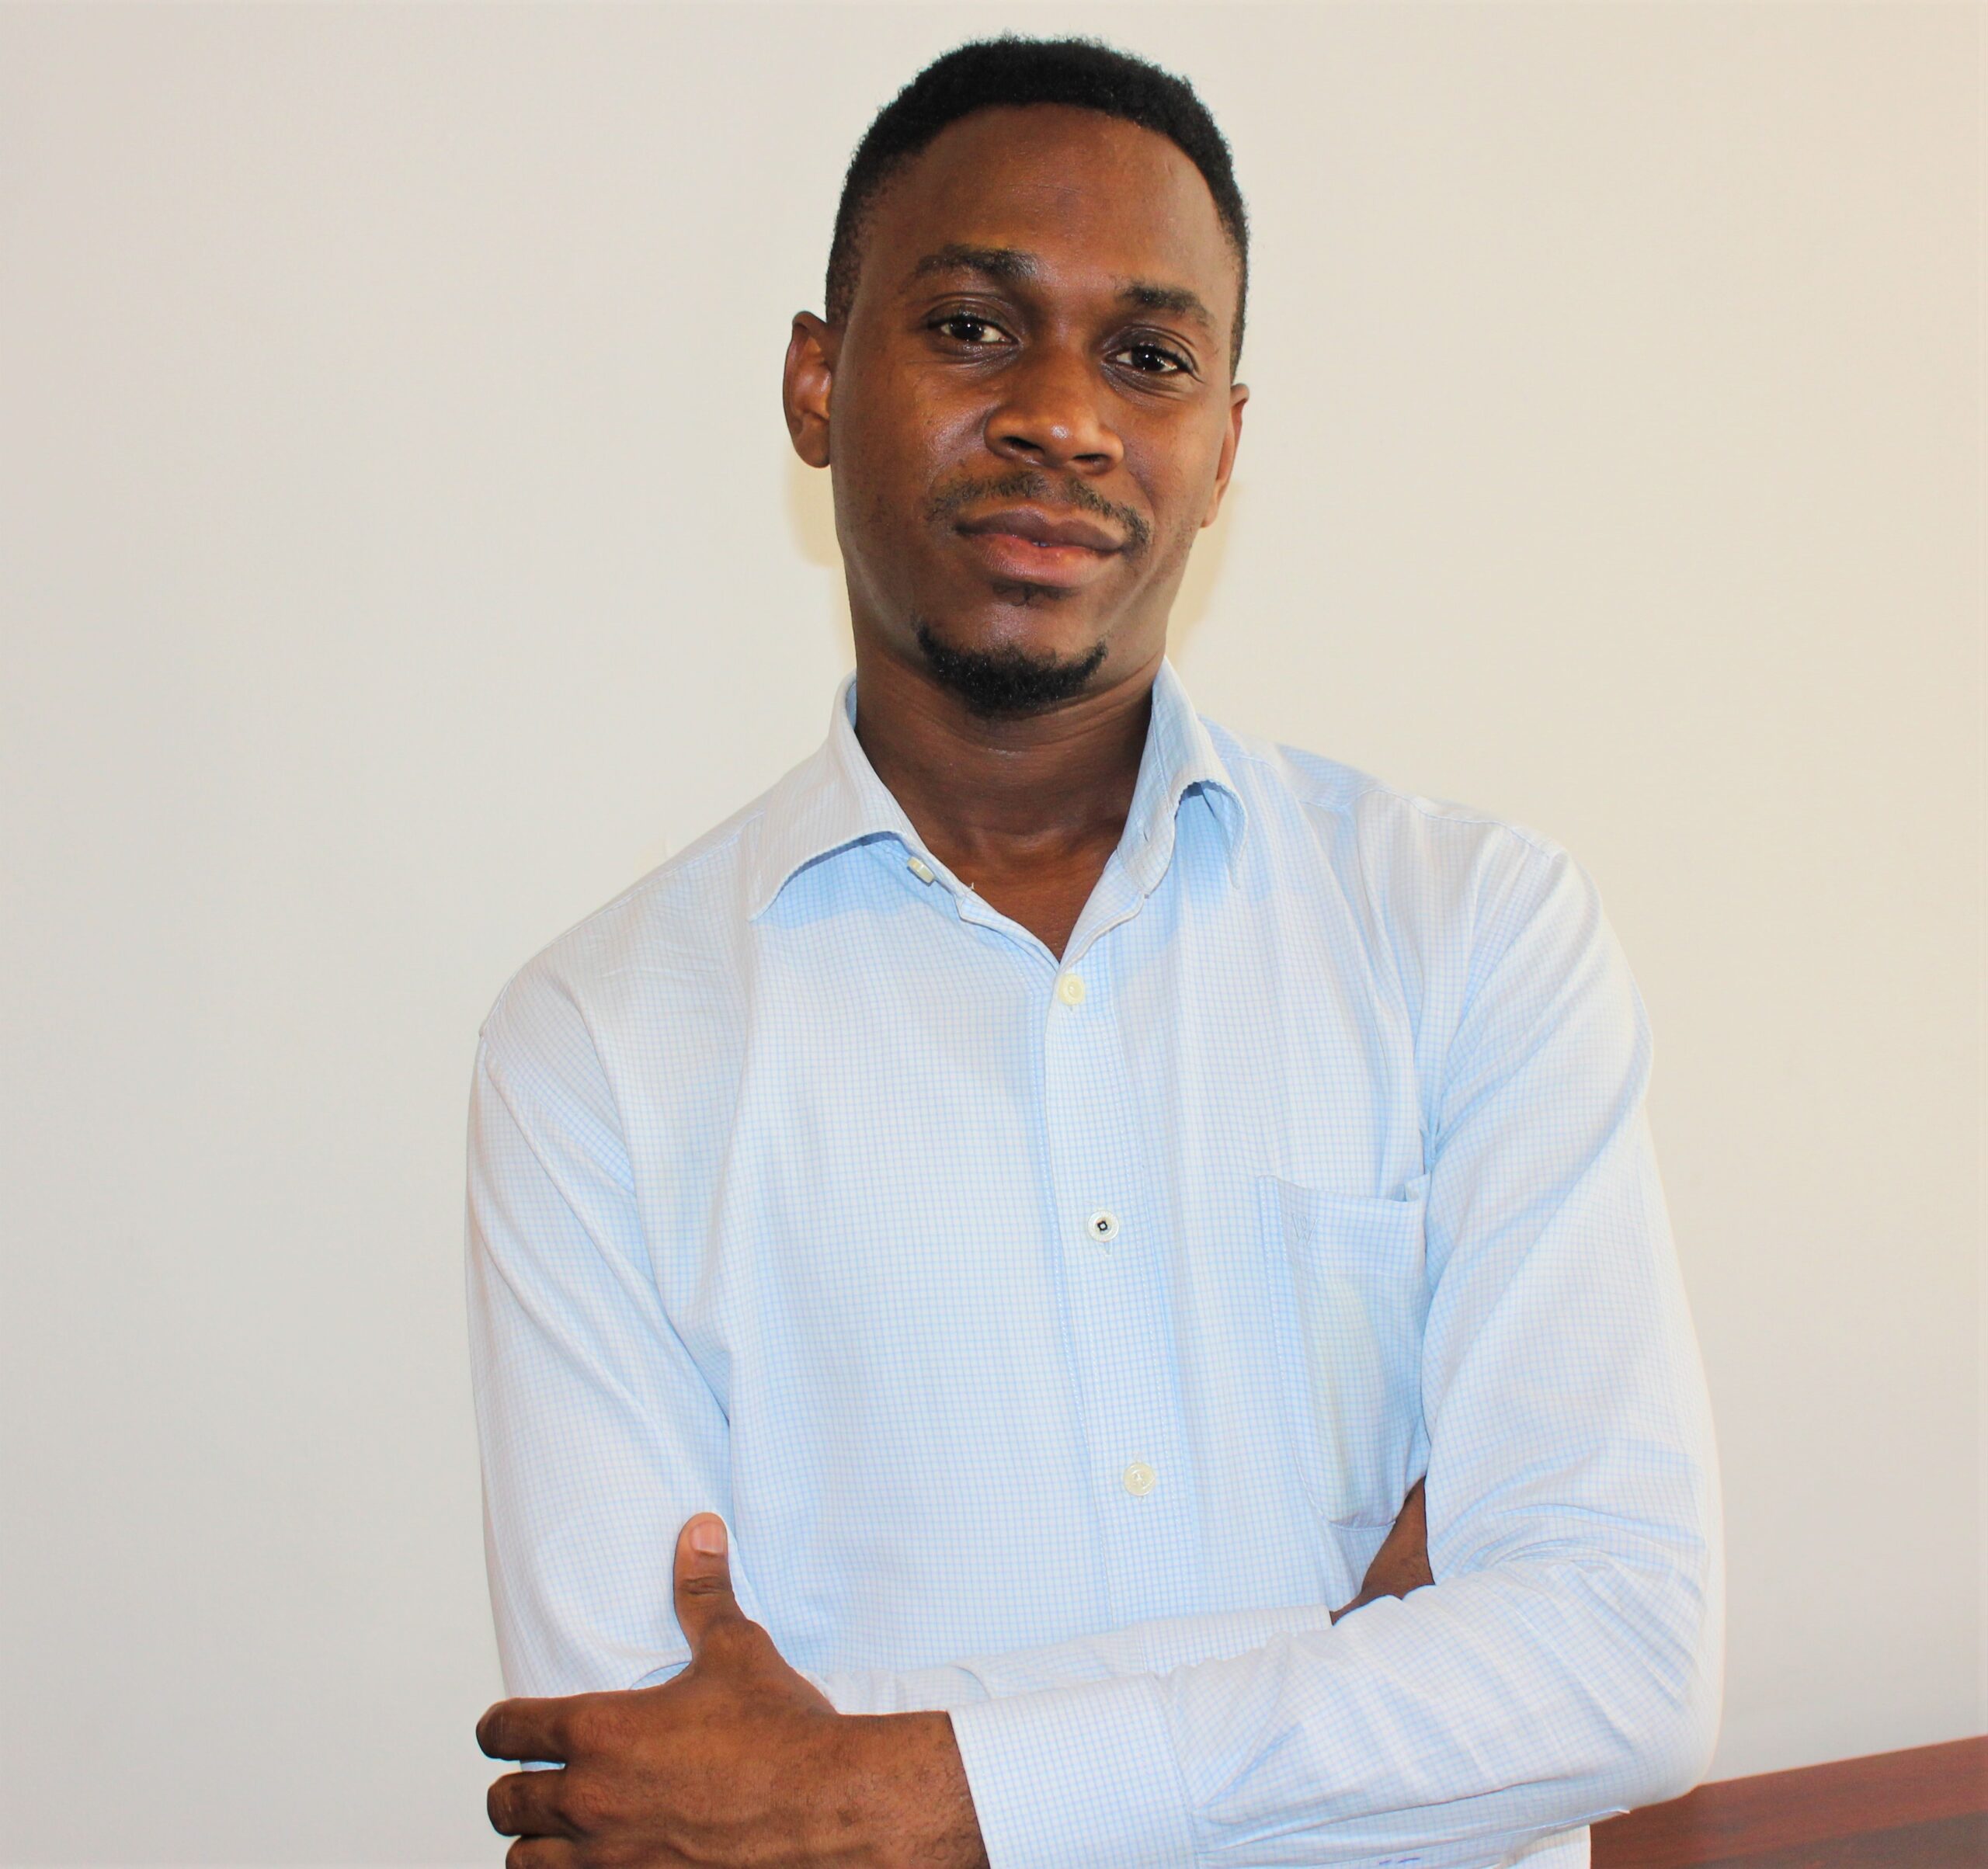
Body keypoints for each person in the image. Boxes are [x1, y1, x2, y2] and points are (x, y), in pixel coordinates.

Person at [466, 34, 1722, 1869]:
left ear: (1222, 443)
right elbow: (666, 1817)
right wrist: (1348, 1679)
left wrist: (898, 1789)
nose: (1064, 412)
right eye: (972, 326)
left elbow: (1623, 1666)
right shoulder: (594, 1052)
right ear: (818, 383)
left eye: (1146, 356)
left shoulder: (1470, 935)